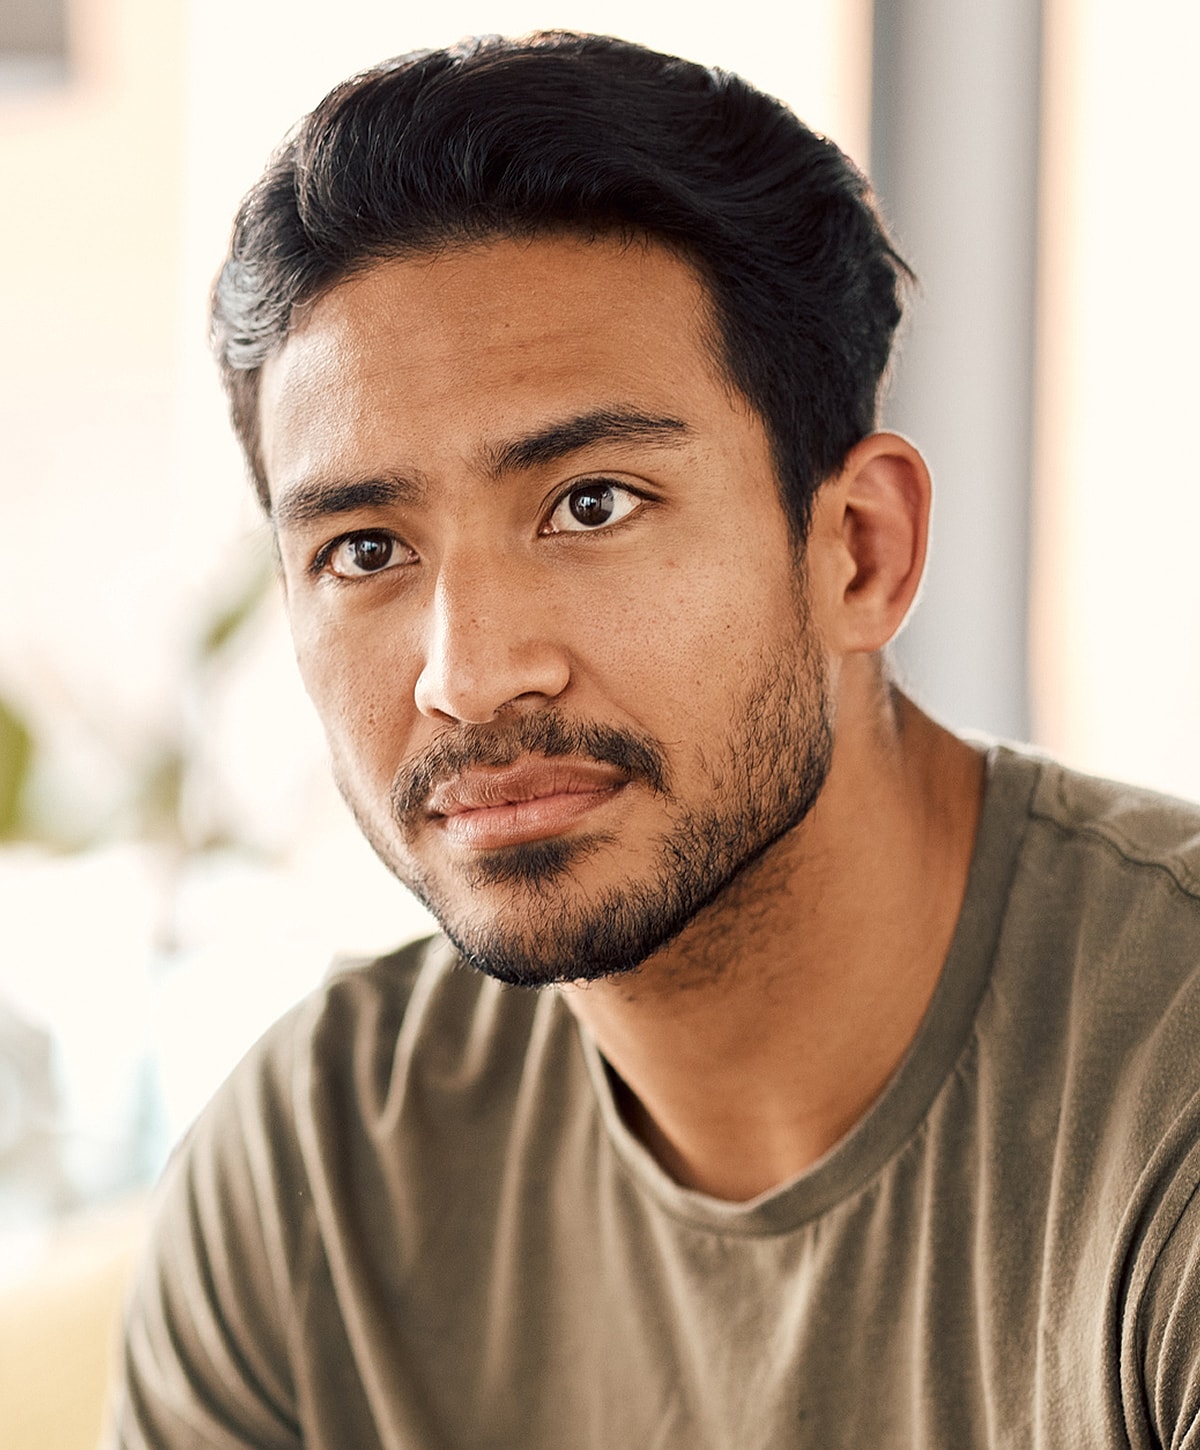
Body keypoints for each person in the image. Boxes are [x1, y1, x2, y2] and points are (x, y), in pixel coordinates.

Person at [113, 32, 1200, 1449]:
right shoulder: (312, 1178)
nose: (470, 674)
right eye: (368, 546)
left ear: (859, 552)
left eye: (593, 503)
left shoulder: (1161, 1093)